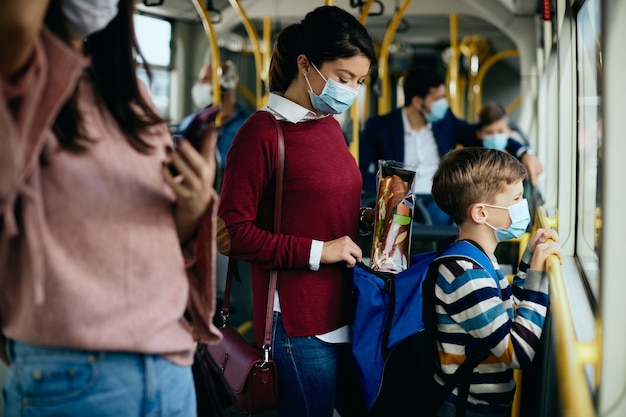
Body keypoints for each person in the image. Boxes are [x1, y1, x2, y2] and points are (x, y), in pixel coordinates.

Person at [0, 1, 221, 416]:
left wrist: (193, 204)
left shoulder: (130, 96)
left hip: (170, 367)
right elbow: (14, 25)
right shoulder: (24, 81)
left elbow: (155, 235)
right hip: (72, 371)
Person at [216, 5, 377, 417]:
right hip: (298, 322)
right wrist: (319, 251)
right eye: (343, 78)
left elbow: (318, 205)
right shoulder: (261, 133)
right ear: (305, 65)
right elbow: (232, 233)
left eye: (359, 81)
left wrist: (364, 219)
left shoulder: (328, 126)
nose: (351, 91)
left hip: (348, 308)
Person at [430, 147, 562, 417]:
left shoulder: (478, 257)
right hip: (468, 406)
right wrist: (537, 276)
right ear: (481, 213)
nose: (523, 206)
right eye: (516, 198)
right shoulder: (465, 273)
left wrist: (528, 261)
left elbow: (505, 313)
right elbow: (517, 352)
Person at [359, 67, 543, 225]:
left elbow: (482, 134)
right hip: (398, 201)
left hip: (438, 199)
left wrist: (524, 151)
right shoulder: (379, 127)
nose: (443, 104)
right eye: (438, 98)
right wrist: (389, 193)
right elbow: (362, 169)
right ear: (417, 102)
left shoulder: (445, 121)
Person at [187, 60, 250, 184]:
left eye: (205, 79)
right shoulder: (193, 123)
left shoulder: (250, 126)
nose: (199, 86)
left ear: (225, 84)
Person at [476, 101, 544, 186]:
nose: (495, 136)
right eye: (489, 133)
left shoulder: (518, 159)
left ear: (508, 131)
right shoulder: (474, 163)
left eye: (500, 131)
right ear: (479, 134)